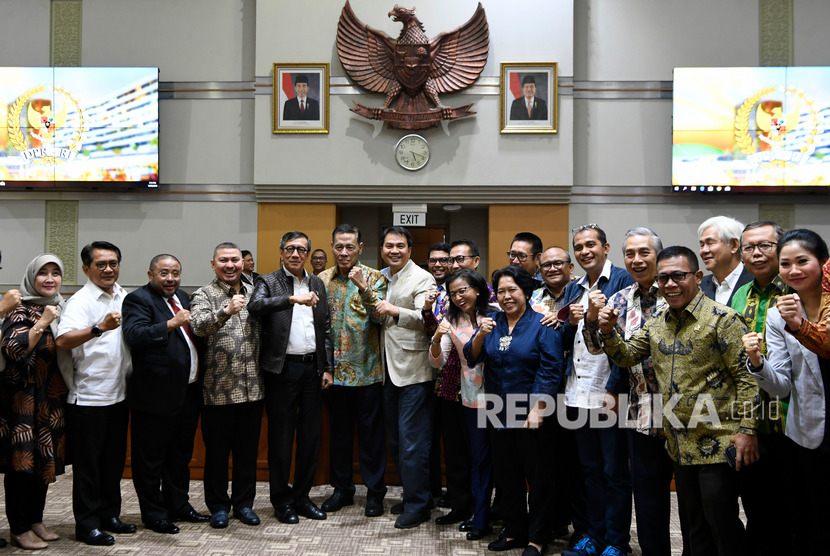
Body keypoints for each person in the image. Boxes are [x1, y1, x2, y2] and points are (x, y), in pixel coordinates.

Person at [597, 245, 759, 556]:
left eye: (678, 276)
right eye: (663, 279)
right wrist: (607, 331)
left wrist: (747, 431)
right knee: (693, 527)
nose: (670, 285)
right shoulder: (658, 322)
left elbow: (747, 378)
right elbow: (626, 356)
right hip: (679, 445)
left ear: (697, 277)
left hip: (718, 442)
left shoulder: (722, 319)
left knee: (721, 524)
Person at [583, 228, 683, 556]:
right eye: (630, 254)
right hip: (641, 412)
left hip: (688, 412)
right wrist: (593, 320)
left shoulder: (678, 292)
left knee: (695, 502)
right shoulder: (621, 299)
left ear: (659, 255)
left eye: (644, 253)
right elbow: (599, 349)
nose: (636, 260)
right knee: (649, 501)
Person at [464, 266, 563, 556]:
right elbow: (473, 357)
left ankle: (537, 537)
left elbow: (551, 368)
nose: (507, 296)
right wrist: (480, 334)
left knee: (539, 477)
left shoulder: (543, 324)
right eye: (502, 291)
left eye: (513, 290)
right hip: (498, 411)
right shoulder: (492, 321)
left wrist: (538, 407)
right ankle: (514, 531)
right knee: (507, 477)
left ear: (526, 292)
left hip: (533, 414)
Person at [742, 228, 829, 553]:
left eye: (802, 261)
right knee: (808, 518)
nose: (793, 270)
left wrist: (802, 328)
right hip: (806, 429)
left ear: (822, 262)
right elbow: (780, 385)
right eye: (786, 264)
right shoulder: (779, 314)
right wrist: (757, 362)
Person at [248, 231, 334, 524]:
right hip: (282, 370)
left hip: (313, 370)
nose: (295, 254)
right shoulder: (267, 281)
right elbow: (255, 307)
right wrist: (291, 299)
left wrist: (328, 367)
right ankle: (281, 501)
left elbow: (324, 328)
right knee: (281, 439)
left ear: (309, 254)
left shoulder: (317, 282)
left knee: (310, 438)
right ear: (281, 252)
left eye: (301, 250)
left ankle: (302, 497)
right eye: (290, 249)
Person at [121, 254, 209, 535]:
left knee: (180, 456)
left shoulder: (183, 296)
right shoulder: (138, 300)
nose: (170, 278)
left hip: (187, 392)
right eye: (164, 273)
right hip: (154, 396)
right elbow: (134, 335)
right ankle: (154, 513)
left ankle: (178, 505)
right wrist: (172, 323)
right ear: (150, 274)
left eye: (175, 273)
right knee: (151, 460)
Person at [560, 224, 634, 556]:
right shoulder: (572, 288)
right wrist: (571, 323)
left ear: (606, 248)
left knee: (614, 471)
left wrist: (616, 388)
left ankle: (617, 541)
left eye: (591, 245)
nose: (584, 251)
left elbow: (631, 341)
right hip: (577, 391)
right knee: (589, 469)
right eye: (579, 247)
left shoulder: (622, 281)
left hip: (608, 392)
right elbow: (562, 341)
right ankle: (594, 534)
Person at [56, 241, 135, 547]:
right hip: (88, 399)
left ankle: (109, 515)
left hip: (118, 394)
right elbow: (63, 341)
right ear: (86, 268)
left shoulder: (122, 295)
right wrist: (98, 328)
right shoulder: (81, 301)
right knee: (88, 467)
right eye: (100, 264)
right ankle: (87, 525)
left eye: (113, 263)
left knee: (113, 462)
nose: (108, 269)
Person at [729, 221, 794, 555]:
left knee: (796, 510)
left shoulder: (797, 289)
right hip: (754, 419)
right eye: (749, 247)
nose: (756, 253)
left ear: (781, 249)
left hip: (794, 421)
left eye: (765, 245)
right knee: (757, 507)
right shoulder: (742, 294)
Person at [190, 242, 263, 530]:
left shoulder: (256, 291)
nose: (230, 265)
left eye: (235, 260)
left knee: (247, 454)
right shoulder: (204, 294)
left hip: (253, 389)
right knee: (217, 455)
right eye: (224, 260)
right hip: (217, 392)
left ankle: (244, 504)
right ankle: (219, 506)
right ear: (213, 264)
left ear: (243, 263)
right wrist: (226, 311)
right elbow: (198, 326)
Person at [0, 254, 71, 550]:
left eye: (56, 273)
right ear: (32, 277)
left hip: (50, 398)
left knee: (44, 462)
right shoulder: (19, 310)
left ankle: (35, 520)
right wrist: (42, 322)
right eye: (43, 273)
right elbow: (15, 350)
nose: (50, 278)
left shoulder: (62, 308)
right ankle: (18, 528)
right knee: (22, 467)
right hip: (22, 400)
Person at [317, 224, 387, 518]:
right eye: (338, 247)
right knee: (340, 436)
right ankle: (342, 490)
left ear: (361, 248)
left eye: (350, 247)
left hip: (369, 373)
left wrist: (364, 287)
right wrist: (325, 368)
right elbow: (318, 328)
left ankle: (374, 494)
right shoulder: (320, 280)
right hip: (334, 376)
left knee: (371, 438)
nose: (344, 253)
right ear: (332, 247)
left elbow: (381, 318)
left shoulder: (375, 277)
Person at [375, 226, 437, 529]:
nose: (394, 251)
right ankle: (414, 495)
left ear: (410, 250)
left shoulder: (423, 278)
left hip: (415, 370)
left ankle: (419, 505)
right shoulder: (382, 276)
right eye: (389, 246)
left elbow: (428, 318)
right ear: (382, 249)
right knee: (398, 442)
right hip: (387, 371)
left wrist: (394, 310)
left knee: (413, 443)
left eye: (400, 246)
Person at [428, 269, 494, 541]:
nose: (458, 297)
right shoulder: (450, 320)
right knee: (476, 459)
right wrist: (435, 338)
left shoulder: (497, 312)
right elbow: (438, 361)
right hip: (471, 395)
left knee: (503, 460)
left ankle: (492, 514)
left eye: (463, 290)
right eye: (453, 293)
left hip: (504, 393)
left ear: (477, 289)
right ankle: (477, 516)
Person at [698, 215, 753, 306]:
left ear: (734, 245)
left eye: (710, 243)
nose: (704, 250)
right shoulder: (699, 286)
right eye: (702, 245)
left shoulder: (755, 282)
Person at [530, 246, 574, 316]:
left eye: (558, 263)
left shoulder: (580, 293)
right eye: (547, 265)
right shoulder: (531, 299)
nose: (552, 269)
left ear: (570, 268)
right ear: (541, 272)